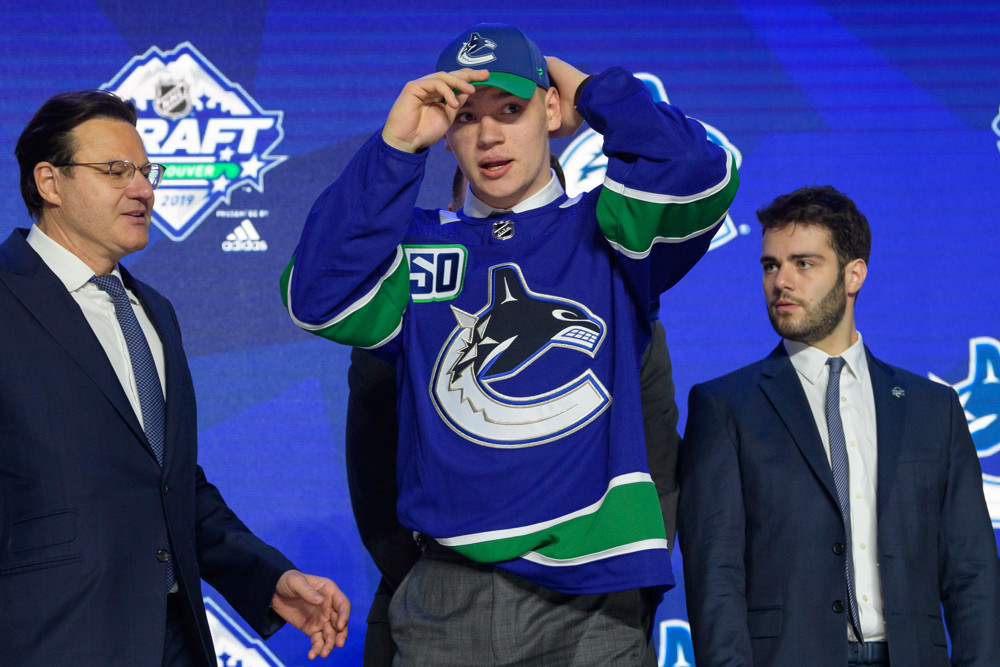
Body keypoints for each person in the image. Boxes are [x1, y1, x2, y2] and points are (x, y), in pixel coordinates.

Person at [284, 22, 737, 664]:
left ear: (551, 111)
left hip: (589, 601)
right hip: (444, 598)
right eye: (466, 117)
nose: (489, 136)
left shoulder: (609, 228)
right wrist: (395, 148)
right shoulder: (417, 246)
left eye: (511, 110)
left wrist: (593, 91)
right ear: (447, 135)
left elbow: (700, 172)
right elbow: (314, 294)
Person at [0, 89, 350, 667]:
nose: (142, 189)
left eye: (145, 171)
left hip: (175, 641)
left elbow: (169, 487)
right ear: (50, 182)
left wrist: (268, 578)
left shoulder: (154, 312)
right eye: (116, 171)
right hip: (50, 642)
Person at [344, 157, 683, 666]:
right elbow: (371, 472)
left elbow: (659, 466)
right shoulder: (402, 312)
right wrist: (435, 567)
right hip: (442, 595)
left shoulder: (625, 314)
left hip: (594, 600)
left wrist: (628, 572)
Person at [676, 185, 1000, 666]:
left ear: (854, 275)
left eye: (803, 263)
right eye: (770, 265)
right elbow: (714, 577)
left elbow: (972, 572)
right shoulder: (724, 407)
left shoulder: (934, 409)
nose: (781, 281)